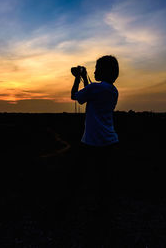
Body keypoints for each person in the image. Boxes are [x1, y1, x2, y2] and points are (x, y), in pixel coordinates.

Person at [59, 55, 120, 243]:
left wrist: (77, 77)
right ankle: (104, 214)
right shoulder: (112, 90)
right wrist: (86, 78)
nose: (94, 71)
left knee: (76, 175)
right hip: (109, 141)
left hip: (92, 142)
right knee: (104, 179)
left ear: (104, 71)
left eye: (96, 68)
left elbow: (76, 96)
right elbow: (92, 90)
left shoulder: (95, 88)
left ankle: (66, 209)